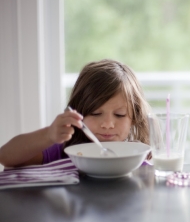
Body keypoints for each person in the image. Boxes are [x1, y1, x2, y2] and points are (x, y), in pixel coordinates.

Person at [0, 59, 151, 167]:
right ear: (78, 113)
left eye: (119, 115)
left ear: (135, 117)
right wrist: (48, 135)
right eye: (96, 113)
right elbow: (5, 156)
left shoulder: (138, 160)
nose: (107, 124)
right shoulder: (65, 152)